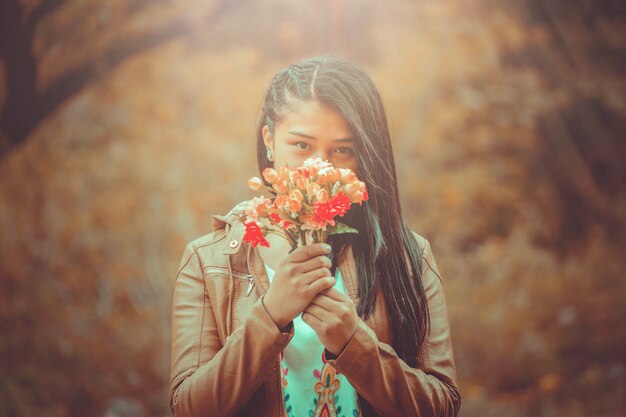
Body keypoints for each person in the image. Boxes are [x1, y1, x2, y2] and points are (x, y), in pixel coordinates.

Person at [168, 54, 461, 417]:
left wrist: (355, 344)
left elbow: (442, 406)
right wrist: (269, 317)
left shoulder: (407, 257)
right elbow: (188, 408)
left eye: (342, 151)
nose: (319, 167)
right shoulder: (209, 261)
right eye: (302, 146)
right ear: (269, 142)